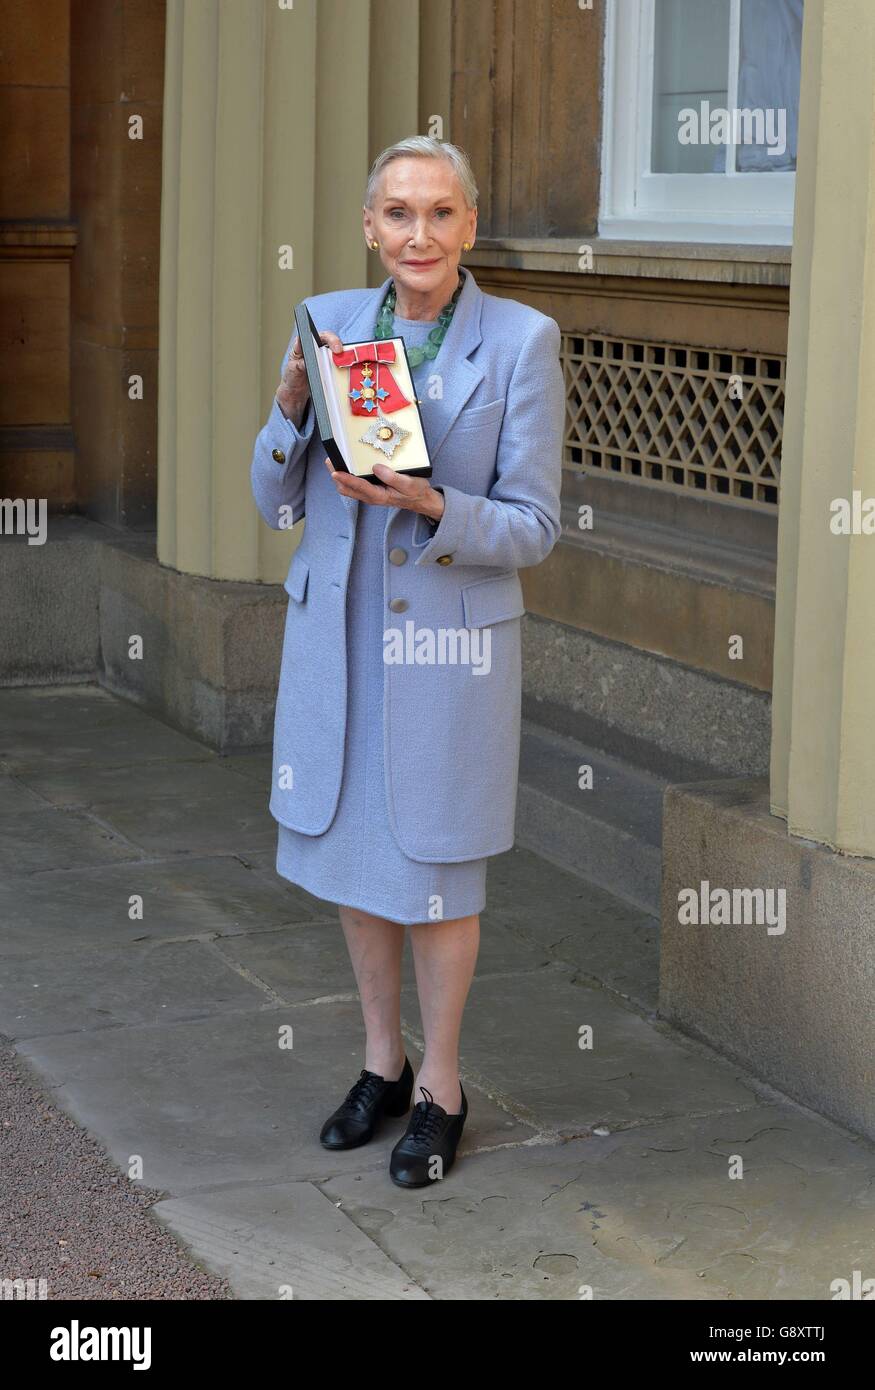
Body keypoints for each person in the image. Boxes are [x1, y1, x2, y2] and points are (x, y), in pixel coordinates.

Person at [250, 135, 564, 1188]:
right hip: (338, 637)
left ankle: (444, 1087)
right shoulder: (329, 322)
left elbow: (533, 527)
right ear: (369, 225)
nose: (416, 233)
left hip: (446, 646)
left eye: (438, 213)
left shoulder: (521, 340)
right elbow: (274, 502)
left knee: (434, 867)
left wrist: (435, 504)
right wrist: (290, 410)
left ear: (469, 226)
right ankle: (381, 1065)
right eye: (396, 213)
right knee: (352, 854)